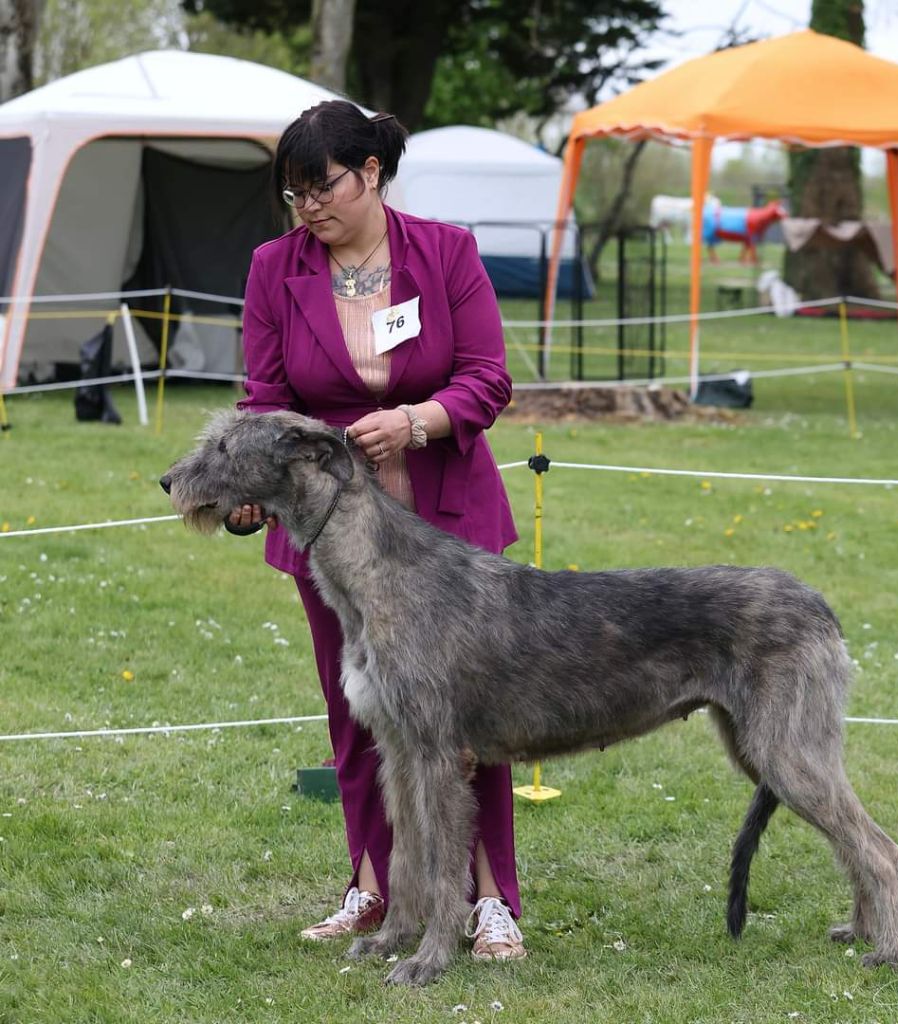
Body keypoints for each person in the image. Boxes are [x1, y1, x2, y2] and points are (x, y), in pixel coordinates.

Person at [229, 99, 525, 960]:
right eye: (294, 195)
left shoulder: (446, 252)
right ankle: (374, 886)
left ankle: (488, 899)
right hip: (333, 541)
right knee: (359, 712)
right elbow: (265, 397)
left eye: (322, 188)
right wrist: (253, 484)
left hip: (448, 524)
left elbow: (487, 378)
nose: (309, 208)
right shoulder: (273, 267)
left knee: (472, 715)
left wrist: (417, 421)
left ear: (371, 173)